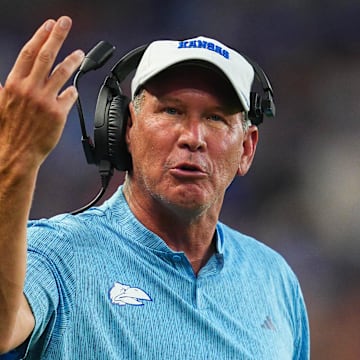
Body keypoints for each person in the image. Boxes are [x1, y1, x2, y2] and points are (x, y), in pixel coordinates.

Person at [0, 15, 310, 359]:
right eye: (171, 111)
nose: (193, 138)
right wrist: (16, 161)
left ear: (247, 149)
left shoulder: (274, 280)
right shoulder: (57, 254)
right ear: (125, 129)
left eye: (215, 118)